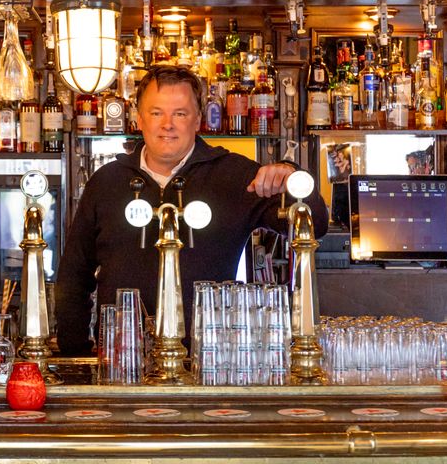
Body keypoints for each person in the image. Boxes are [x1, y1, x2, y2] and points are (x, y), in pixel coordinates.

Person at [55, 66, 329, 356]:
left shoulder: (234, 175)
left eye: (180, 113)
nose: (167, 124)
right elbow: (74, 275)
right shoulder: (108, 180)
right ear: (139, 118)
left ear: (198, 119)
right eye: (156, 112)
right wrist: (76, 355)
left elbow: (316, 224)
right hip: (124, 358)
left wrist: (292, 177)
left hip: (210, 360)